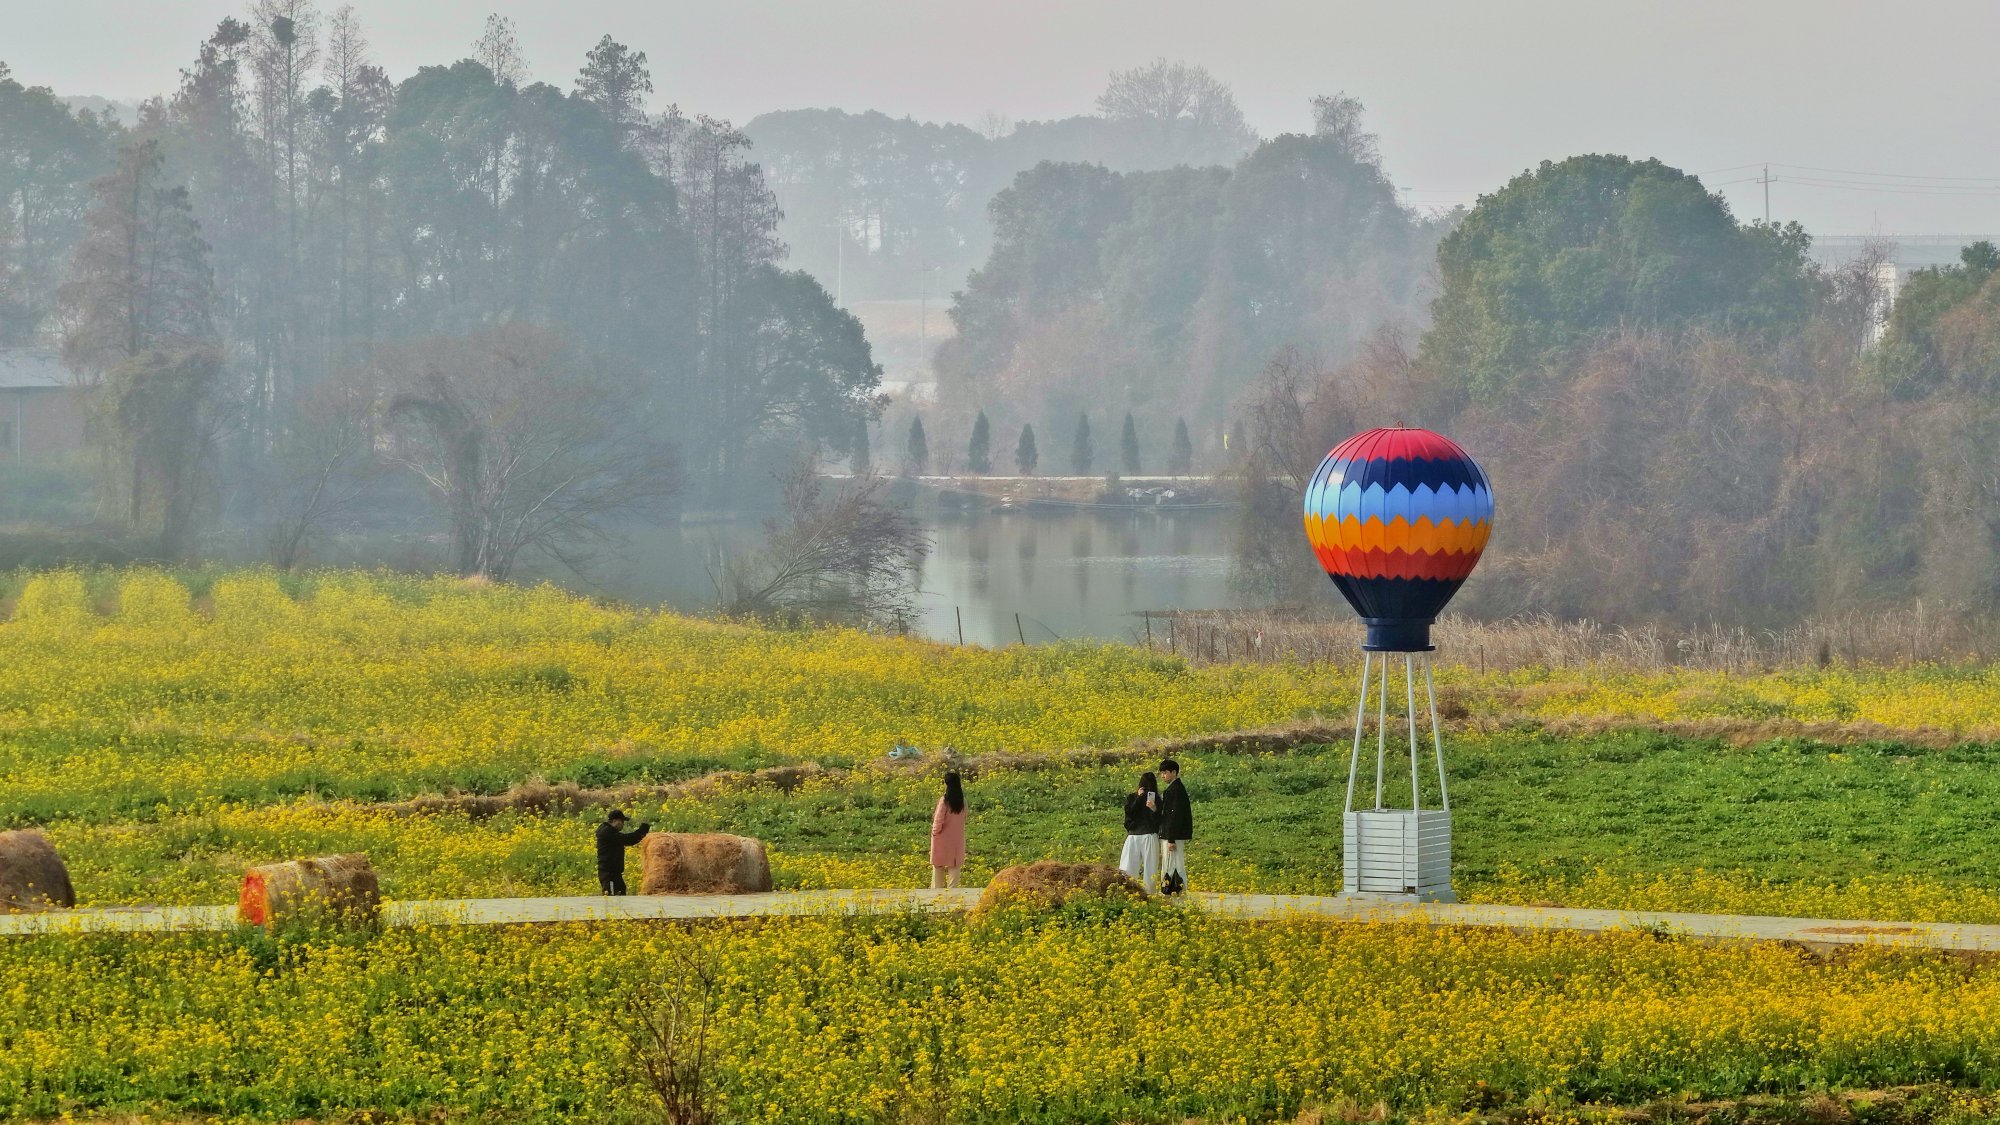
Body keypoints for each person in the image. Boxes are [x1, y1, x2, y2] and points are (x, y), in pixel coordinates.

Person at [1119, 771, 1161, 891]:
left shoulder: (1135, 797)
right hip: (1146, 835)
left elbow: (1128, 816)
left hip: (1137, 835)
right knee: (1150, 868)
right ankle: (1148, 893)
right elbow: (1158, 820)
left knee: (1128, 867)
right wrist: (1140, 799)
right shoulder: (1151, 798)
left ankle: (1127, 891)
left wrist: (1150, 806)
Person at [1156, 759, 1193, 896]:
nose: (1163, 776)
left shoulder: (1175, 790)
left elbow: (1174, 815)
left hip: (1173, 835)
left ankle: (1174, 890)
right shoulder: (1174, 789)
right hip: (1171, 834)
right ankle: (1172, 890)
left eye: (1165, 773)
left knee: (1173, 863)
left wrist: (1171, 838)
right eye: (1162, 773)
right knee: (1171, 863)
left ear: (1173, 772)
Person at [595, 809, 650, 896]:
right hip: (609, 874)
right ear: (614, 820)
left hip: (614, 873)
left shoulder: (609, 831)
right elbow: (628, 839)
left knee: (621, 893)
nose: (623, 824)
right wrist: (643, 829)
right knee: (611, 900)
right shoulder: (607, 832)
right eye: (622, 821)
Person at [929, 771, 967, 889]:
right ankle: (953, 891)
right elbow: (964, 817)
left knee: (938, 865)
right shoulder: (962, 801)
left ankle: (937, 890)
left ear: (947, 784)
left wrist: (935, 833)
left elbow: (938, 820)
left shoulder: (944, 801)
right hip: (956, 838)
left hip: (942, 837)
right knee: (955, 866)